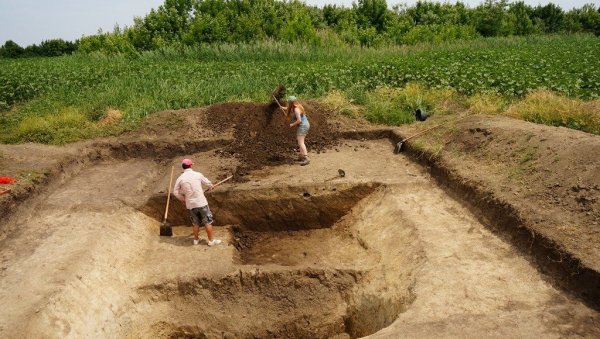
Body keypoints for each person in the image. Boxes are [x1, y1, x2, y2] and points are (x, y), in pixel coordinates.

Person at [173, 158, 222, 246]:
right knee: (207, 222)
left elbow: (175, 192)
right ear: (191, 165)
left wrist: (183, 199)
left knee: (195, 223)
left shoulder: (180, 178)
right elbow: (208, 183)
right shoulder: (197, 175)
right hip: (201, 203)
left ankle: (196, 240)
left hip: (191, 205)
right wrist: (211, 186)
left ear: (183, 167)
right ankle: (211, 241)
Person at [280, 95, 310, 166]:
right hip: (305, 125)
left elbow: (299, 120)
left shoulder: (296, 109)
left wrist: (292, 124)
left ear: (291, 102)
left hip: (303, 125)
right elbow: (288, 108)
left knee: (301, 142)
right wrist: (282, 108)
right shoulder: (297, 106)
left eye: (288, 102)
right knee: (299, 140)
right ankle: (301, 156)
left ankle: (306, 157)